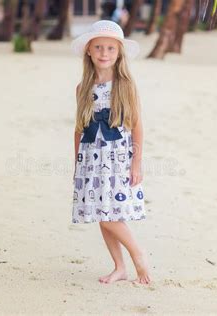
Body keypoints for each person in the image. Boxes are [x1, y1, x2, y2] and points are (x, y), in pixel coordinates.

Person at [70, 20, 151, 285]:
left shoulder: (125, 86)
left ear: (118, 54)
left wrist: (136, 164)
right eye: (99, 48)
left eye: (110, 49)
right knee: (101, 216)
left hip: (117, 158)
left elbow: (137, 128)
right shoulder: (83, 89)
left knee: (110, 214)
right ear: (89, 52)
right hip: (90, 159)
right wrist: (76, 166)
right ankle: (119, 267)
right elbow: (79, 130)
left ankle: (138, 257)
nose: (104, 53)